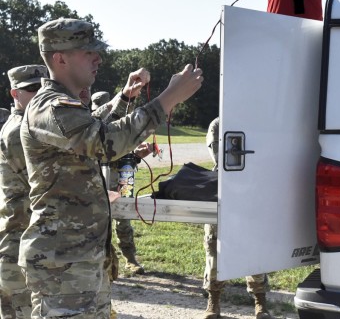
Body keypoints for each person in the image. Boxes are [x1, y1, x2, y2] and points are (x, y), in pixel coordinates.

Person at [19, 18, 203, 319]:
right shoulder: (49, 106)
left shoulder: (66, 104)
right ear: (60, 58)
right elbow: (105, 142)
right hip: (62, 262)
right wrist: (168, 99)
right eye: (87, 51)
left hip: (82, 257)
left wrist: (127, 96)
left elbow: (98, 125)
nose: (98, 58)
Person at [201, 117, 272, 319]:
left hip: (252, 192)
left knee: (254, 247)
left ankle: (261, 303)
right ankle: (213, 302)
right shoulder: (217, 124)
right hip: (223, 192)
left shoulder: (257, 125)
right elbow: (220, 160)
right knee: (215, 249)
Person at [0, 64, 48, 319]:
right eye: (31, 89)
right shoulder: (19, 131)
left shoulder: (30, 124)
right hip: (18, 245)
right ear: (15, 94)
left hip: (25, 241)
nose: (39, 94)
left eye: (43, 87)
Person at [91, 90, 147, 274]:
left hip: (124, 175)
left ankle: (130, 259)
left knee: (124, 216)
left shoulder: (121, 125)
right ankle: (102, 260)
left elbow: (125, 152)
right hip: (101, 177)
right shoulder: (92, 125)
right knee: (99, 220)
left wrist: (136, 156)